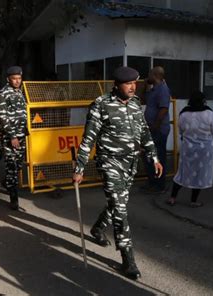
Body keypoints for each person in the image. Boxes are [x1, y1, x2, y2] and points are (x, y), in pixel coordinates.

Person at [72, 66, 163, 280]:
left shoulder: (134, 104)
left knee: (118, 202)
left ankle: (98, 227)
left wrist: (154, 157)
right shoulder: (101, 105)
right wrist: (80, 168)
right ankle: (128, 259)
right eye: (128, 84)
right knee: (120, 209)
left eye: (135, 83)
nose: (133, 87)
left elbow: (144, 131)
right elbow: (88, 138)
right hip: (109, 162)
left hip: (131, 162)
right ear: (117, 85)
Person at [166, 91, 213, 207]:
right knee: (199, 175)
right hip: (205, 150)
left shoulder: (184, 113)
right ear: (203, 101)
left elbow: (180, 130)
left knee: (182, 173)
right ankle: (193, 201)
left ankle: (172, 198)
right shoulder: (208, 113)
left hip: (188, 149)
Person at [0, 66, 28, 210]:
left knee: (19, 165)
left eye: (19, 78)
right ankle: (14, 200)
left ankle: (6, 181)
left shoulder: (19, 92)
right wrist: (12, 136)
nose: (17, 81)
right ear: (8, 79)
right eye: (14, 79)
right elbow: (3, 117)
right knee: (12, 166)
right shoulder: (4, 93)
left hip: (21, 135)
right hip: (11, 137)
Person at [143, 66, 170, 193]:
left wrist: (156, 125)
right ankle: (152, 182)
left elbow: (164, 109)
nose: (147, 77)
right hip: (151, 129)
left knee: (158, 157)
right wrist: (145, 86)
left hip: (158, 130)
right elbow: (143, 99)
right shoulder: (154, 89)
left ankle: (160, 185)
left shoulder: (163, 89)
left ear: (154, 75)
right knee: (149, 156)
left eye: (149, 74)